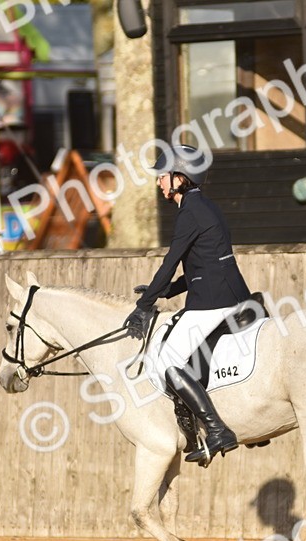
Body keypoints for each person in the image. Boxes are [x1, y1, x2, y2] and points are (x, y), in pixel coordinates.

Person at [123, 144, 252, 465]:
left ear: (180, 178)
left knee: (167, 361)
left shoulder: (190, 212)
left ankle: (216, 428)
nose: (159, 183)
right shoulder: (207, 207)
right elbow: (204, 264)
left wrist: (145, 303)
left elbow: (171, 261)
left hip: (213, 301)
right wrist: (166, 292)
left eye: (163, 176)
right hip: (231, 293)